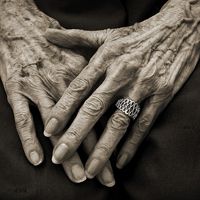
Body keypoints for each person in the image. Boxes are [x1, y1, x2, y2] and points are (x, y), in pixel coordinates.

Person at [0, 0, 200, 199]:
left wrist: (189, 14)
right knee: (44, 191)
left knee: (180, 183)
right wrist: (8, 18)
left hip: (180, 22)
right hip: (34, 23)